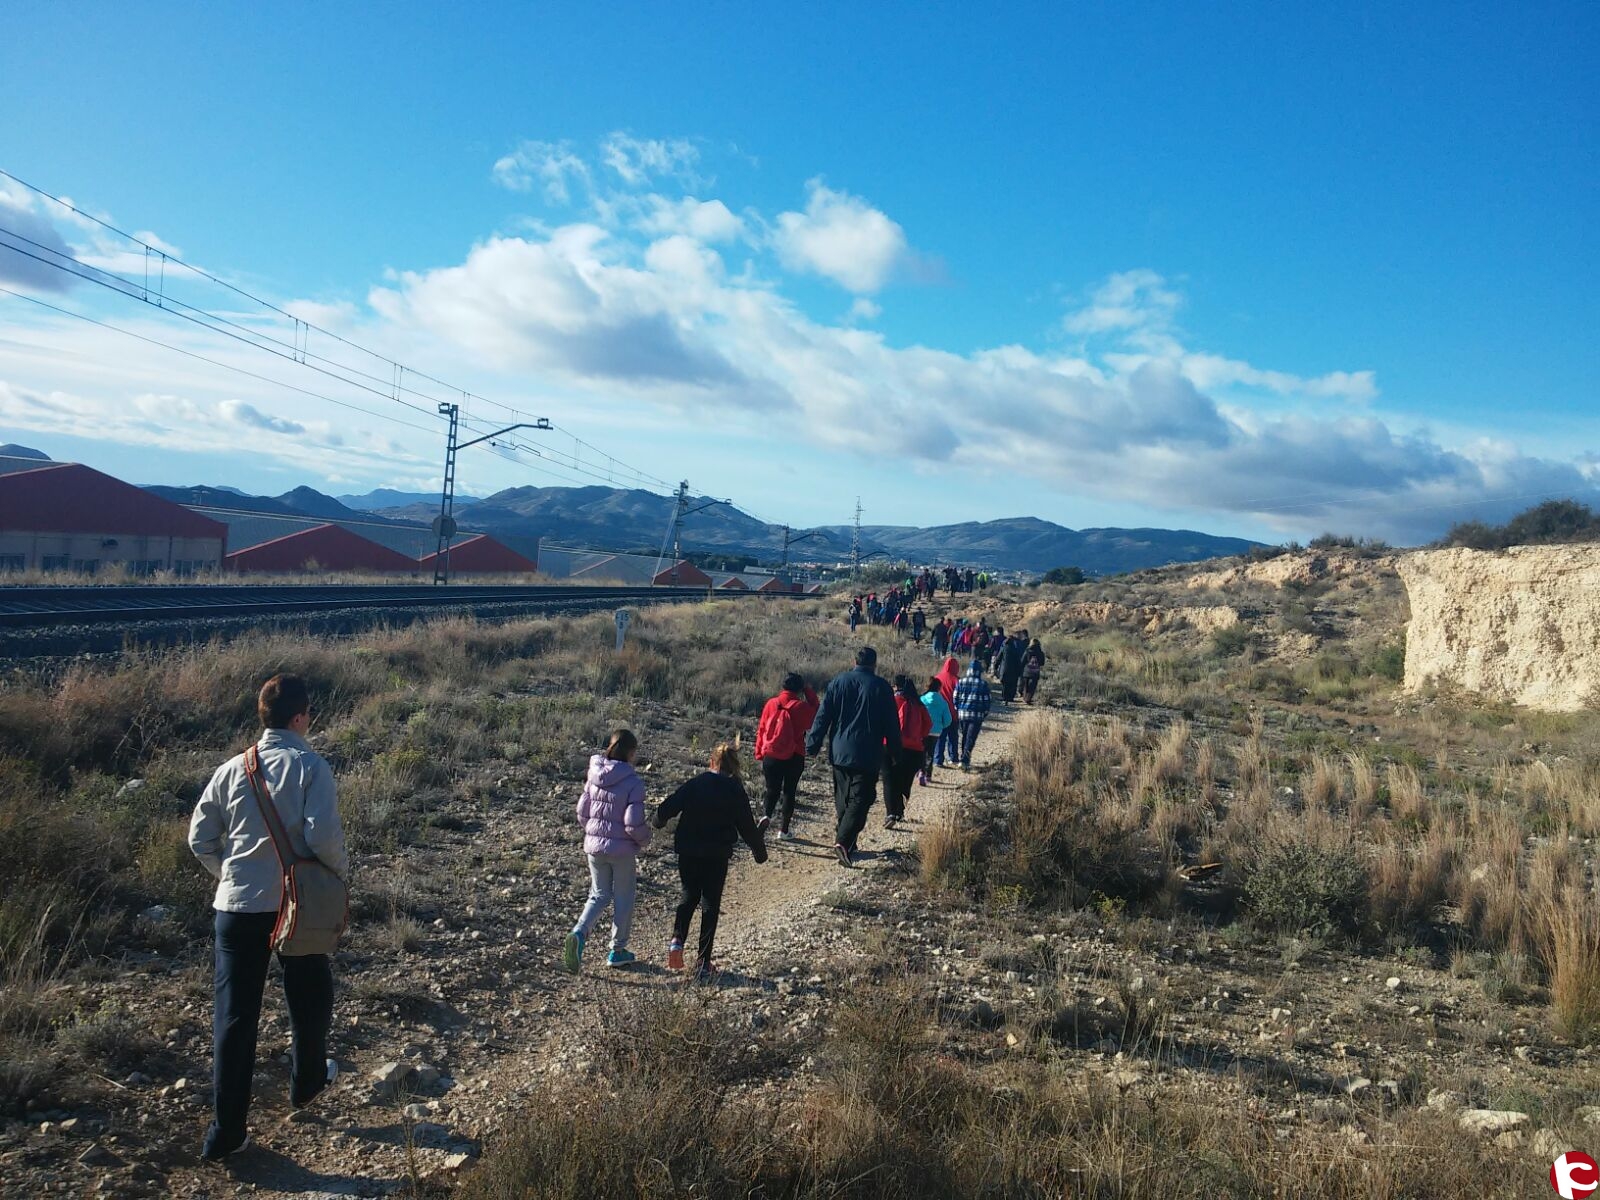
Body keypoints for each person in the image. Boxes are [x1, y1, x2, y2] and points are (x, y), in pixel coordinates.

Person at [188, 674, 347, 1161]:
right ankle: (307, 1082)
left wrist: (231, 876)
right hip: (295, 906)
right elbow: (322, 837)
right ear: (300, 717)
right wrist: (337, 876)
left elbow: (200, 838)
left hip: (236, 908)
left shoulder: (231, 769)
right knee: (310, 992)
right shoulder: (311, 766)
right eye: (308, 714)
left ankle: (226, 1133)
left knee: (234, 1018)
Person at [653, 743, 769, 979]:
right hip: (717, 855)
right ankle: (703, 962)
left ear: (711, 762)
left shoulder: (697, 782)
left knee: (688, 895)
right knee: (710, 904)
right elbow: (747, 827)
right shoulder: (735, 790)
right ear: (734, 767)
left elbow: (669, 806)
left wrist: (658, 820)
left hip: (688, 850)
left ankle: (677, 940)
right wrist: (760, 853)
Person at [564, 729, 651, 973]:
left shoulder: (594, 774)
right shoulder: (633, 782)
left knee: (598, 894)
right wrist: (645, 839)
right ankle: (617, 950)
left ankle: (579, 933)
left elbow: (582, 812)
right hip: (622, 850)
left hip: (594, 847)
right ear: (631, 753)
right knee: (624, 897)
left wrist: (594, 833)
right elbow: (632, 823)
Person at [806, 646, 899, 868]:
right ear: (874, 664)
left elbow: (823, 716)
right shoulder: (882, 687)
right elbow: (892, 724)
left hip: (839, 750)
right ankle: (843, 841)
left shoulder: (838, 682)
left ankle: (848, 841)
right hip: (868, 753)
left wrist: (813, 743)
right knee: (862, 798)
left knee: (844, 797)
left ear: (854, 661)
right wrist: (896, 751)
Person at [754, 672, 819, 839]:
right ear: (799, 689)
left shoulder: (771, 703)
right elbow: (817, 712)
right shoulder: (801, 707)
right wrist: (808, 691)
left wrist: (760, 752)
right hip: (795, 754)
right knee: (789, 791)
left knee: (772, 789)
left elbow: (762, 729)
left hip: (771, 753)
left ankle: (766, 816)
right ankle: (784, 830)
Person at [882, 675, 932, 829]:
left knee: (890, 780)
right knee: (905, 782)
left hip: (890, 746)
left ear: (896, 687)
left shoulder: (892, 701)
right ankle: (899, 811)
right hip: (914, 750)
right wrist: (917, 737)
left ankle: (891, 813)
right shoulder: (919, 704)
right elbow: (928, 725)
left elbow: (882, 722)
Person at [953, 658, 993, 770]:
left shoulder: (961, 682)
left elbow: (955, 697)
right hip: (977, 716)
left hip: (962, 714)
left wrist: (958, 708)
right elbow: (987, 701)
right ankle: (964, 760)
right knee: (971, 738)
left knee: (965, 735)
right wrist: (984, 713)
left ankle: (963, 757)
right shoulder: (983, 684)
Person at [919, 673, 953, 786]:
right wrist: (941, 726)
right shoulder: (943, 702)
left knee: (922, 752)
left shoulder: (922, 699)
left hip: (923, 730)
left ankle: (921, 772)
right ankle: (928, 775)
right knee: (931, 753)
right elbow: (948, 719)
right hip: (936, 731)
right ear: (939, 688)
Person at [932, 655, 963, 770]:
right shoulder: (957, 680)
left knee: (940, 737)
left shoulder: (937, 678)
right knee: (953, 737)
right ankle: (953, 758)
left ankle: (937, 759)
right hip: (953, 713)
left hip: (939, 713)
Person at [1000, 630, 1028, 703]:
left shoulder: (1004, 647)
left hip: (1004, 668)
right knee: (1012, 683)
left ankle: (1004, 697)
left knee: (1005, 683)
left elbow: (999, 657)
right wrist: (1019, 668)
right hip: (1013, 669)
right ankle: (1010, 697)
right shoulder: (1017, 647)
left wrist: (996, 666)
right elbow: (1018, 659)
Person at [1021, 639, 1046, 705]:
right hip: (1035, 672)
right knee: (1032, 686)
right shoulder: (1040, 653)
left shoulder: (1027, 651)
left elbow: (1023, 661)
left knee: (1026, 685)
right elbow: (1042, 663)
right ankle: (1028, 699)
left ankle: (1025, 697)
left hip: (1027, 671)